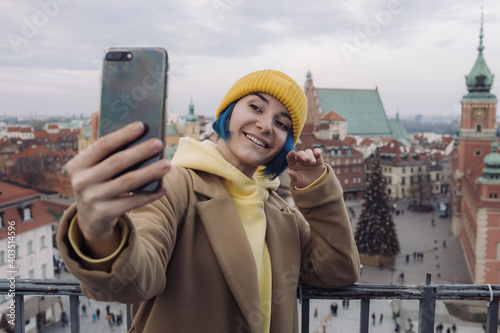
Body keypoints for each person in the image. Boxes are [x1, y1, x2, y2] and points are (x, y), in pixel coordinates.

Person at [56, 69, 360, 332]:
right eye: (256, 107)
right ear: (227, 113)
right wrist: (100, 230)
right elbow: (132, 279)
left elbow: (338, 269)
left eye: (282, 124)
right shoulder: (174, 185)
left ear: (286, 143)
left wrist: (318, 192)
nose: (266, 125)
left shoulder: (280, 213)